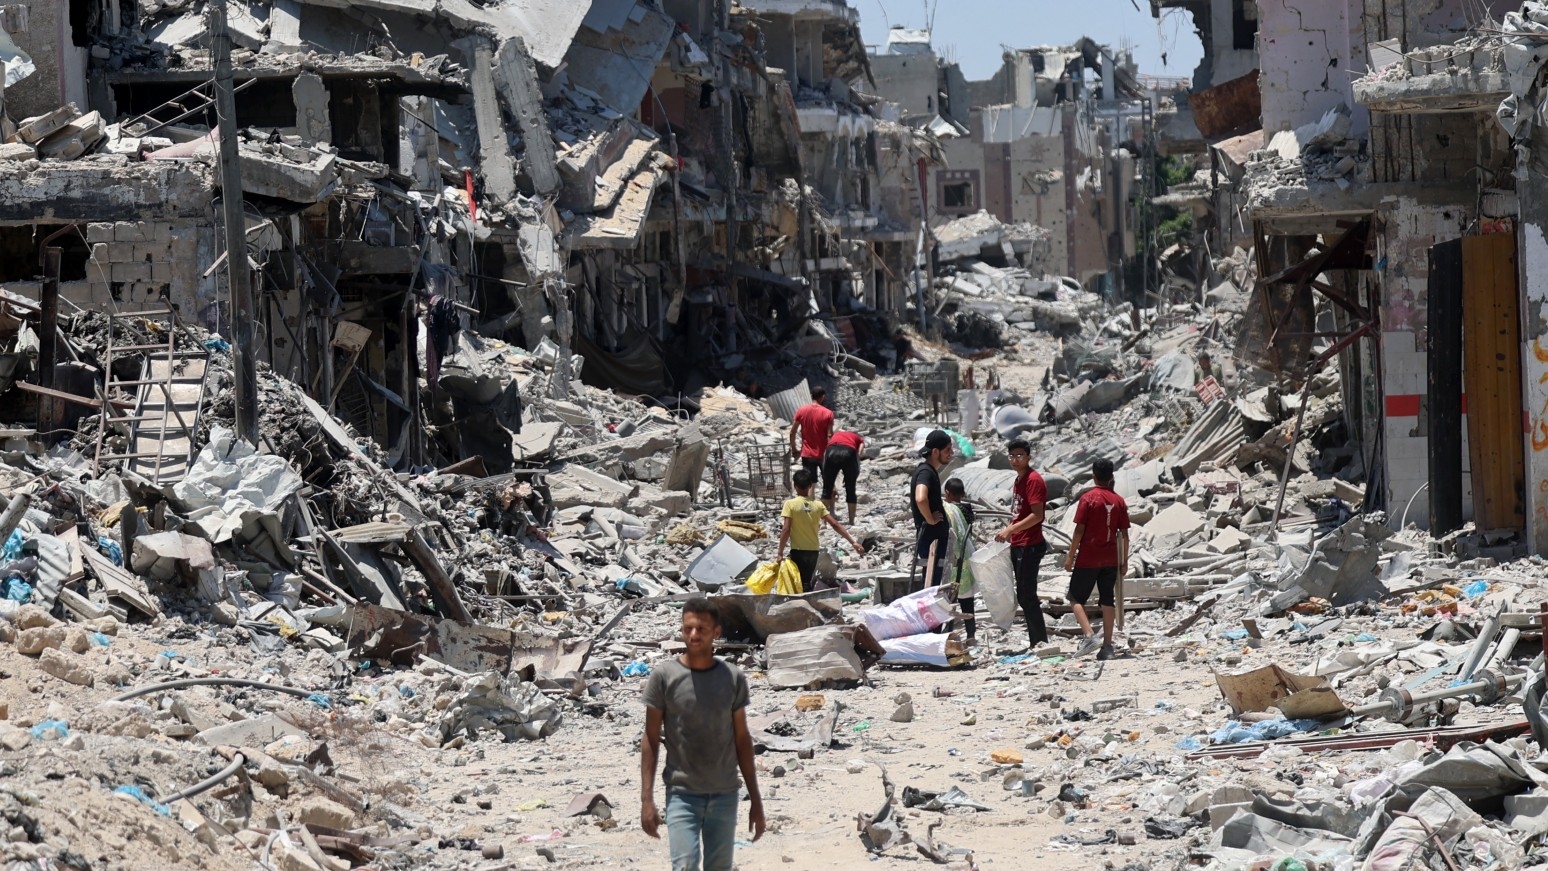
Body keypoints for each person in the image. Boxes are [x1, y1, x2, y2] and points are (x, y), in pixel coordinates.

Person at [641, 598, 765, 871]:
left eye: (701, 629)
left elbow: (742, 740)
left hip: (724, 794)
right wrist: (646, 799)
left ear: (716, 632)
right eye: (688, 629)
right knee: (683, 866)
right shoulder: (664, 677)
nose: (694, 635)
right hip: (682, 795)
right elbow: (651, 738)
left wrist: (756, 800)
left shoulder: (732, 678)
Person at [1062, 458, 1130, 661]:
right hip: (1110, 558)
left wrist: (1070, 556)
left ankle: (1089, 635)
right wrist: (1124, 561)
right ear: (1111, 478)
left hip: (1088, 557)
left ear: (1093, 476)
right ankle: (1107, 645)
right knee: (1107, 598)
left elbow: (1079, 530)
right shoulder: (1119, 500)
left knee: (1075, 597)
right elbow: (1125, 534)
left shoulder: (1088, 498)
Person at [995, 439, 1048, 649]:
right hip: (1019, 542)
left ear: (1028, 457)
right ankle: (1037, 641)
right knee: (1023, 595)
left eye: (1019, 456)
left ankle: (1040, 641)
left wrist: (1010, 530)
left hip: (1030, 543)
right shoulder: (1019, 480)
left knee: (1028, 595)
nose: (1015, 460)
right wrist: (1009, 531)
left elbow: (1037, 515)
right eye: (1011, 456)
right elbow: (1019, 513)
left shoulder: (1033, 480)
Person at [776, 468, 866, 591]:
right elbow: (834, 524)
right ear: (810, 486)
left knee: (799, 583)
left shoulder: (790, 504)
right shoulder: (818, 505)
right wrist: (853, 542)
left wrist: (780, 552)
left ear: (795, 485)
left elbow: (786, 529)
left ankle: (803, 605)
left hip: (798, 551)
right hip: (813, 551)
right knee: (806, 581)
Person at [911, 430, 954, 587]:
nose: (951, 453)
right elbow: (920, 498)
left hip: (933, 538)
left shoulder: (929, 471)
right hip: (931, 540)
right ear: (935, 451)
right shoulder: (925, 472)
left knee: (935, 582)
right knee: (932, 584)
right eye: (947, 450)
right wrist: (930, 519)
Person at [943, 477, 977, 643]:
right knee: (967, 602)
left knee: (949, 602)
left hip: (952, 561)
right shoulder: (966, 509)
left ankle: (948, 635)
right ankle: (971, 636)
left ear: (947, 493)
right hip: (965, 559)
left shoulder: (946, 510)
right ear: (963, 494)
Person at [789, 386, 834, 478]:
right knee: (829, 481)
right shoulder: (828, 413)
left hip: (807, 453)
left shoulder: (801, 410)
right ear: (823, 397)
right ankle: (830, 491)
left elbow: (792, 432)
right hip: (823, 453)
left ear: (811, 396)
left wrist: (794, 448)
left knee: (810, 483)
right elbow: (829, 436)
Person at [822, 429, 865, 524]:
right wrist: (854, 467)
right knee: (851, 489)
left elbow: (827, 448)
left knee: (826, 489)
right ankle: (851, 520)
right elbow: (859, 452)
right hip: (849, 452)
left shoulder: (836, 434)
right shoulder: (858, 438)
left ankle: (823, 523)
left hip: (831, 450)